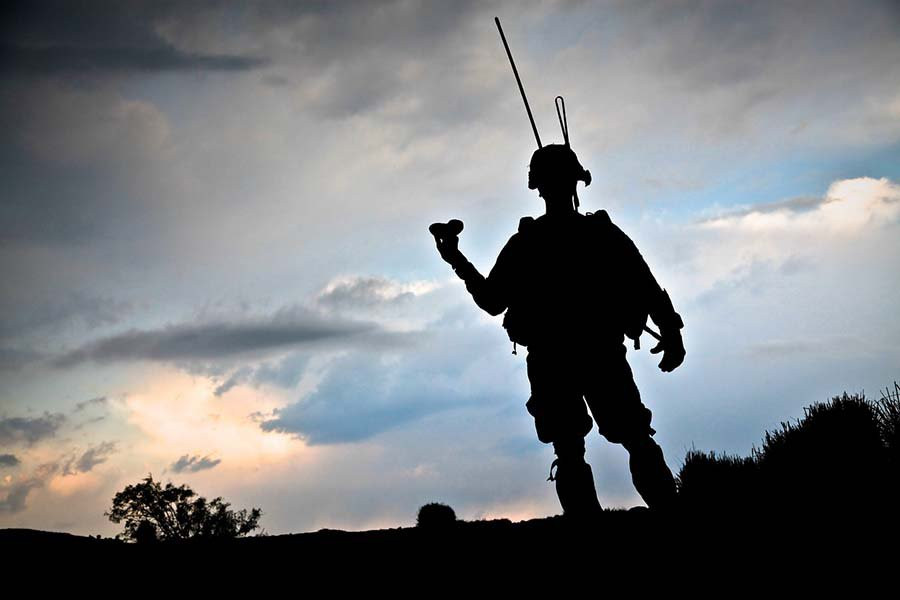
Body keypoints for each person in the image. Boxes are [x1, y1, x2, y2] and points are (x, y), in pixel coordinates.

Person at [430, 144, 686, 518]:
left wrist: (455, 258)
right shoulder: (602, 234)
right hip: (600, 353)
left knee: (571, 450)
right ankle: (673, 519)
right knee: (635, 438)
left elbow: (491, 301)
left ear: (536, 186)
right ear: (577, 181)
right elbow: (646, 287)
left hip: (553, 359)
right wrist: (671, 333)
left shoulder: (526, 243)